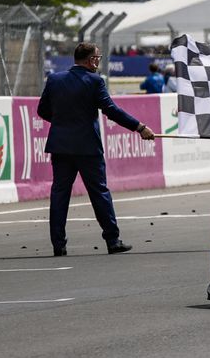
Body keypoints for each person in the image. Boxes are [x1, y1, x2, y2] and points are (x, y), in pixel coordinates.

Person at [36, 42, 155, 257]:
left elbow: (42, 110)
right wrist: (139, 127)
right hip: (87, 146)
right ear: (91, 60)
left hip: (61, 145)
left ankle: (58, 244)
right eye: (97, 58)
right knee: (99, 192)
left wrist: (63, 123)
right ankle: (112, 239)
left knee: (59, 193)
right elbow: (112, 110)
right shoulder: (94, 81)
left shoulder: (54, 80)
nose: (98, 62)